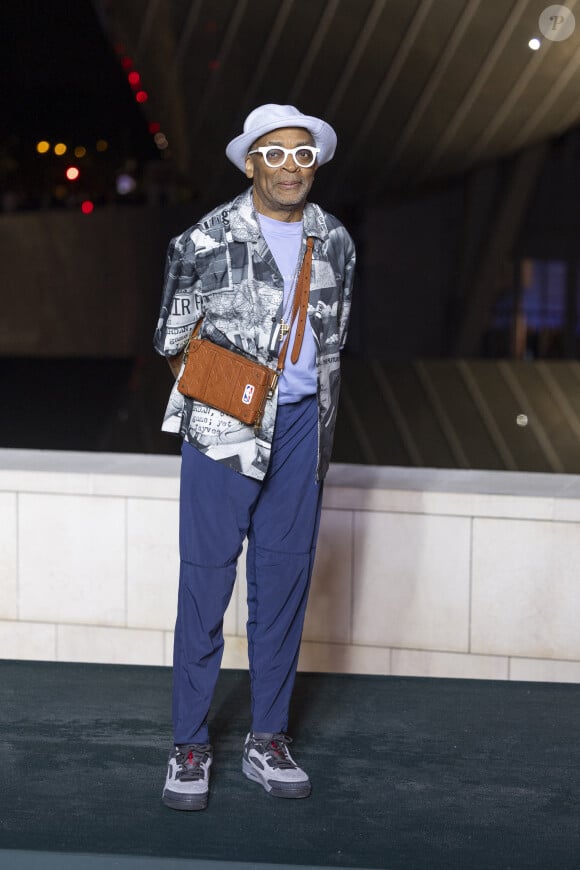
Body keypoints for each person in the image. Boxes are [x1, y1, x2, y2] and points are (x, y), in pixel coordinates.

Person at [154, 104, 356, 810]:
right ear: (251, 163)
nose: (290, 167)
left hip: (303, 427)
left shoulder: (334, 240)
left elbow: (332, 344)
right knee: (205, 586)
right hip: (224, 427)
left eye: (303, 155)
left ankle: (267, 740)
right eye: (275, 155)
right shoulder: (205, 238)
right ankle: (188, 746)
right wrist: (230, 393)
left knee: (284, 582)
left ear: (314, 165)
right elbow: (170, 337)